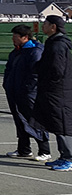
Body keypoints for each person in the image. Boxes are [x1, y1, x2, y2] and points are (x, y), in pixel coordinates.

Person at [3, 24, 50, 161]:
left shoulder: (35, 52)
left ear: (24, 37)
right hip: (14, 91)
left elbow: (35, 74)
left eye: (15, 36)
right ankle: (24, 149)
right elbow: (8, 69)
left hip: (29, 93)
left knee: (34, 119)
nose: (13, 39)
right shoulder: (16, 52)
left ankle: (44, 150)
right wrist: (7, 85)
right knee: (19, 119)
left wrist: (27, 89)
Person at [33, 15, 72, 171]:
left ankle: (68, 158)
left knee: (62, 124)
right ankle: (63, 156)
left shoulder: (58, 46)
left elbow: (57, 70)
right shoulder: (52, 43)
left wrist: (49, 82)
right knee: (56, 123)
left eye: (46, 24)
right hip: (53, 91)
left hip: (59, 92)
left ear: (53, 27)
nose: (43, 26)